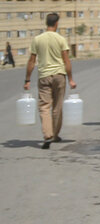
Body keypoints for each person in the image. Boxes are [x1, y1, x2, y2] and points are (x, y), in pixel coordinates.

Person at [23, 13, 76, 149]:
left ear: (46, 23)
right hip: (59, 75)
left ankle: (47, 134)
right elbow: (66, 60)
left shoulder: (37, 39)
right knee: (57, 106)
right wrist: (70, 79)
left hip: (44, 76)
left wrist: (27, 79)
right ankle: (55, 135)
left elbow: (31, 61)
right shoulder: (60, 39)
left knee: (44, 107)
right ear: (57, 23)